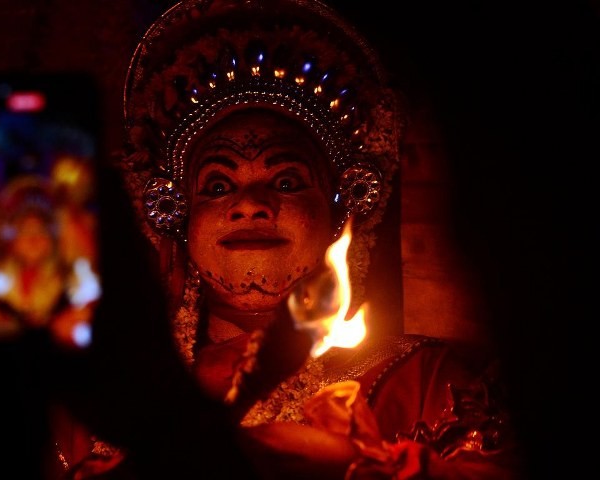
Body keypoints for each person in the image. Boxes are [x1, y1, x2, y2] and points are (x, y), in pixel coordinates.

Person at [56, 0, 526, 478]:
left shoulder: (427, 385)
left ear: (340, 213)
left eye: (285, 181)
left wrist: (356, 465)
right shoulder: (101, 397)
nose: (250, 204)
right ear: (178, 218)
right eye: (217, 185)